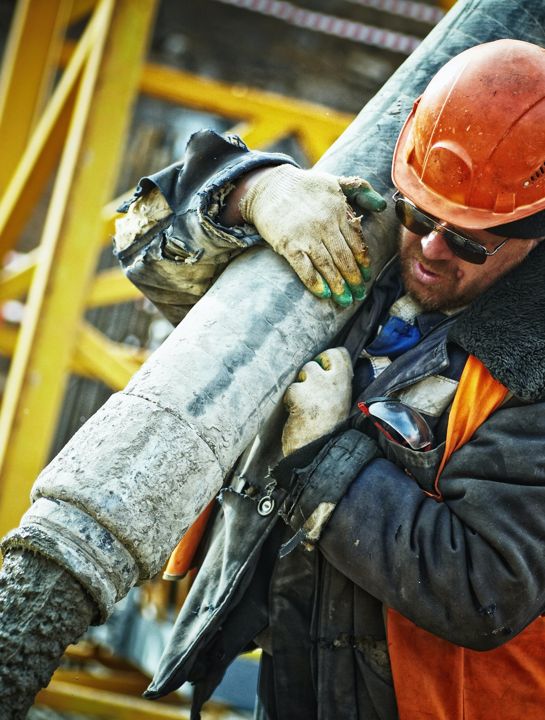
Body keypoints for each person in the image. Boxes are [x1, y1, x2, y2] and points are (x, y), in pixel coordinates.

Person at [114, 38, 545, 719]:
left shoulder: (532, 373)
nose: (429, 251)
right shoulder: (365, 249)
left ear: (533, 239)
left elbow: (484, 584)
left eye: (467, 240)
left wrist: (321, 456)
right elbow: (142, 245)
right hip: (297, 670)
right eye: (418, 215)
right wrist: (250, 192)